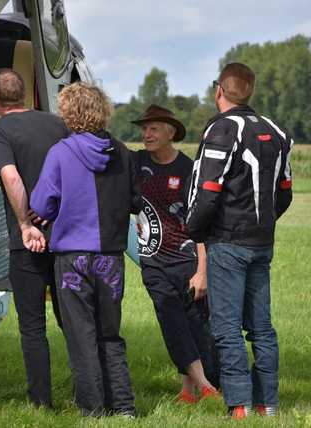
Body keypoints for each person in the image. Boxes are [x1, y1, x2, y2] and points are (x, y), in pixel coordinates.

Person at [186, 62, 293, 420]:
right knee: (261, 326)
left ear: (219, 90)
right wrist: (261, 224)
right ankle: (268, 403)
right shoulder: (277, 131)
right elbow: (285, 194)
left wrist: (195, 231)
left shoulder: (221, 129)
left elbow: (208, 190)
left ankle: (239, 406)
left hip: (227, 243)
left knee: (226, 326)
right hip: (262, 243)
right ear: (251, 90)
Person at [30, 82, 138, 417]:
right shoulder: (123, 152)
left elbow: (42, 204)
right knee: (110, 334)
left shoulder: (61, 152)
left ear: (68, 114)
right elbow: (135, 201)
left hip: (73, 256)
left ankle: (92, 411)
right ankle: (124, 408)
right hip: (111, 256)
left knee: (81, 336)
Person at [0, 68, 69, 408]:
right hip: (65, 237)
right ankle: (93, 393)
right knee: (74, 321)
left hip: (29, 243)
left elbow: (12, 177)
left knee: (33, 327)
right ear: (27, 96)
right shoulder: (56, 124)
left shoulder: (0, 130)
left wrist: (24, 224)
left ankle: (41, 403)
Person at [130, 105, 219, 404]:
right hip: (152, 263)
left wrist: (202, 271)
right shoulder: (136, 162)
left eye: (153, 128)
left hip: (188, 261)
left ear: (171, 132)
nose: (146, 134)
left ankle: (188, 390)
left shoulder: (188, 170)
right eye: (144, 129)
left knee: (195, 325)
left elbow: (202, 225)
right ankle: (205, 384)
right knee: (171, 320)